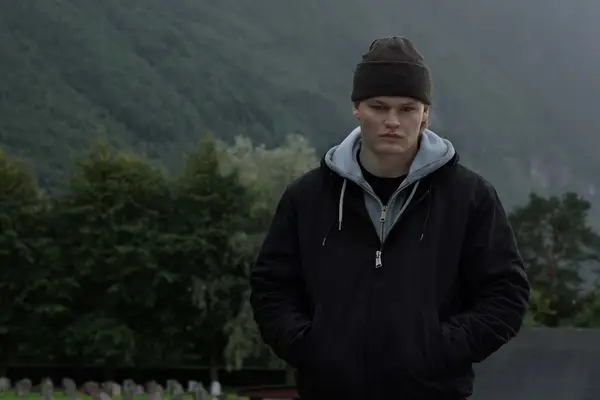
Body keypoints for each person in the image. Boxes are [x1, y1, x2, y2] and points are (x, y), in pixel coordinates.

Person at [249, 36, 530, 399]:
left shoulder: (470, 197)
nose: (392, 122)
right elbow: (272, 288)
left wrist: (439, 349)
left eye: (407, 108)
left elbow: (506, 294)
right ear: (357, 108)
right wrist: (312, 348)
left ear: (425, 113)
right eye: (378, 107)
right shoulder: (307, 198)